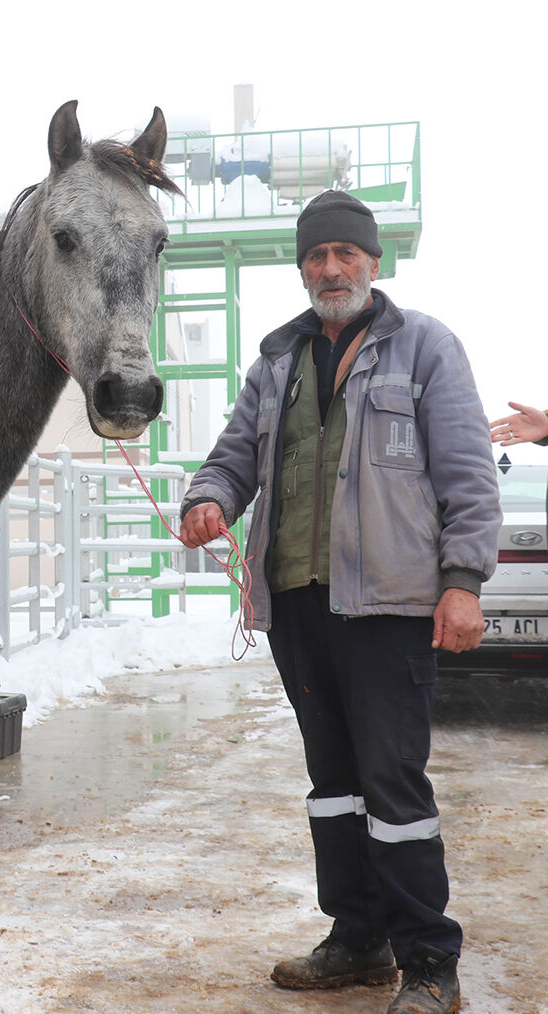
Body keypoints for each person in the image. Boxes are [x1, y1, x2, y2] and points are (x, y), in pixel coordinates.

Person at [177, 190, 500, 1014]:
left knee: (393, 783)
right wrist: (207, 499)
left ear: (373, 262)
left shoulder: (425, 347)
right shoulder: (275, 363)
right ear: (302, 269)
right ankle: (358, 938)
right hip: (297, 605)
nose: (330, 268)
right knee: (333, 783)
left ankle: (430, 960)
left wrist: (462, 582)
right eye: (316, 255)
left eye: (345, 253)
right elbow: (234, 456)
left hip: (389, 607)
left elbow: (467, 474)